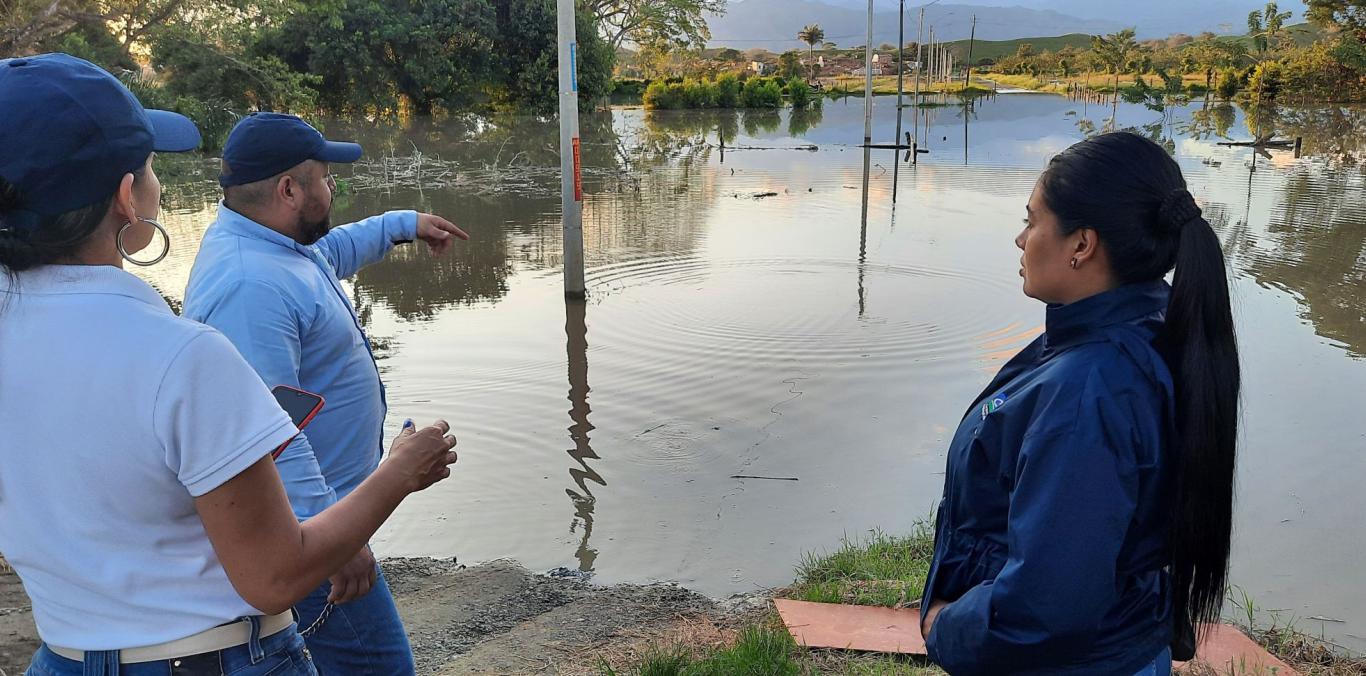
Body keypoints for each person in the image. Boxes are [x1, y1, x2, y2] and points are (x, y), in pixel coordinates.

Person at [0, 54, 458, 676]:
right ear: (127, 198)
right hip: (216, 657)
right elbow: (275, 574)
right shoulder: (183, 354)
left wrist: (401, 224)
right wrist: (400, 473)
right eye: (152, 167)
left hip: (69, 653)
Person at [918, 132, 1240, 675]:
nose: (1021, 239)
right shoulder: (1141, 329)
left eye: (1033, 220)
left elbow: (1049, 600)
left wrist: (948, 626)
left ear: (1081, 245)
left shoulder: (1091, 388)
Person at [182, 112, 469, 674]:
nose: (333, 187)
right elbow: (265, 435)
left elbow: (331, 254)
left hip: (323, 522)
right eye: (325, 177)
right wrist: (335, 540)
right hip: (305, 530)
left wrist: (401, 224)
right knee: (379, 667)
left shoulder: (276, 244)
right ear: (290, 189)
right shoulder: (249, 287)